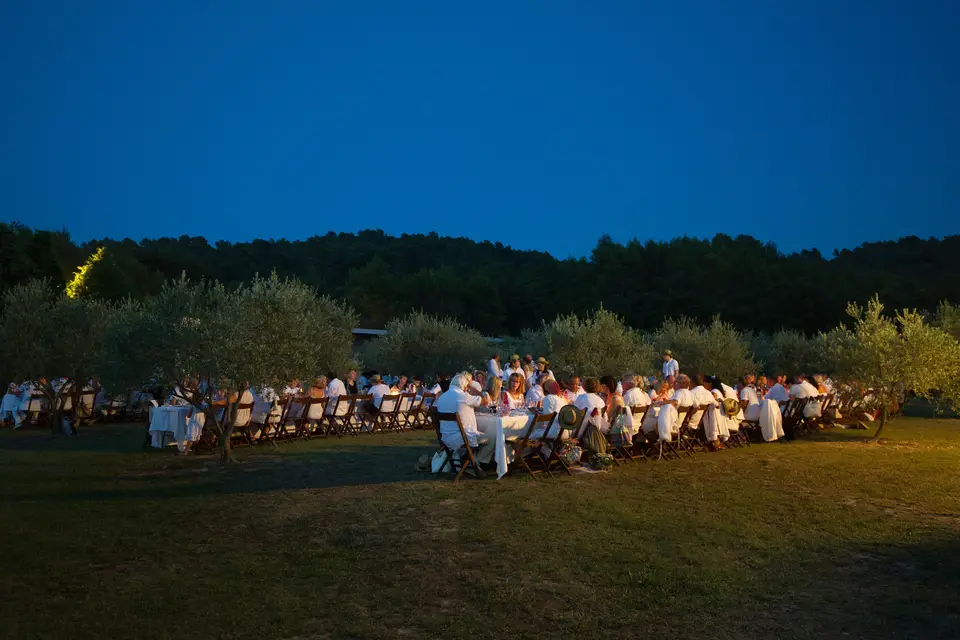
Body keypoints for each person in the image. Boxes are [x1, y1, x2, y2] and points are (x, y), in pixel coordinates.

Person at [435, 373, 490, 468]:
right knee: (492, 437)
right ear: (464, 386)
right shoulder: (463, 397)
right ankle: (477, 462)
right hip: (463, 438)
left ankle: (468, 461)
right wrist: (473, 389)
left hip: (446, 438)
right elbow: (485, 400)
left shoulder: (442, 398)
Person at [691, 374, 726, 450]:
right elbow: (717, 405)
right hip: (700, 421)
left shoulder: (691, 393)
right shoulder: (708, 393)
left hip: (691, 421)